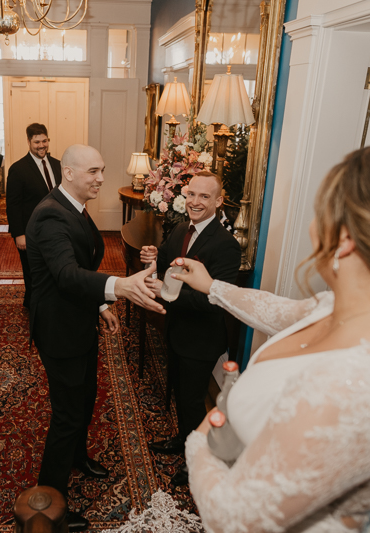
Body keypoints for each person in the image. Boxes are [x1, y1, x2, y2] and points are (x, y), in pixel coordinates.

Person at [163, 143, 370, 532]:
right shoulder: (361, 306)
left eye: (319, 213)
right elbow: (275, 309)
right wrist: (213, 286)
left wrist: (203, 435)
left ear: (345, 237)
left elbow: (235, 518)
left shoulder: (361, 381)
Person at [26, 144, 165, 531]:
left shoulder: (75, 209)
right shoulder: (50, 216)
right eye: (92, 172)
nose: (101, 178)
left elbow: (84, 267)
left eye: (102, 170)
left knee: (85, 396)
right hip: (58, 329)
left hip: (79, 319)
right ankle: (50, 502)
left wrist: (100, 307)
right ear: (68, 173)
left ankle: (78, 458)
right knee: (66, 415)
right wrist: (119, 288)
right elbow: (68, 276)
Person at [139, 171, 241, 487]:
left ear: (219, 201)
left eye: (204, 196)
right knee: (181, 395)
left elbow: (213, 300)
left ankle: (197, 460)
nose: (195, 202)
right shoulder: (182, 228)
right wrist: (154, 257)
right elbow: (170, 261)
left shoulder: (226, 246)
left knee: (193, 401)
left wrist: (165, 294)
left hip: (201, 338)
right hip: (177, 330)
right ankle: (183, 441)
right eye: (192, 194)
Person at [6, 123, 62, 308]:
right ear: (29, 142)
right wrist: (19, 234)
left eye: (44, 140)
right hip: (31, 232)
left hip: (55, 229)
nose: (41, 145)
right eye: (37, 141)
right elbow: (13, 205)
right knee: (32, 272)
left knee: (54, 268)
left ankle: (50, 303)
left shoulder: (57, 165)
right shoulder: (18, 169)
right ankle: (33, 307)